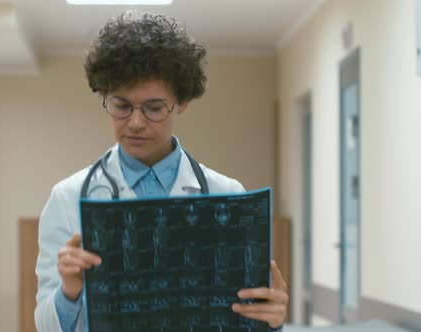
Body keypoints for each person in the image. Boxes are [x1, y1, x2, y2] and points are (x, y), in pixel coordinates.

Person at [34, 11, 289, 332]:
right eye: (121, 105)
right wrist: (69, 291)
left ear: (181, 102)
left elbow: (248, 318)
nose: (136, 122)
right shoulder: (67, 200)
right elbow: (46, 326)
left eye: (154, 108)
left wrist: (273, 320)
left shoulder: (227, 195)